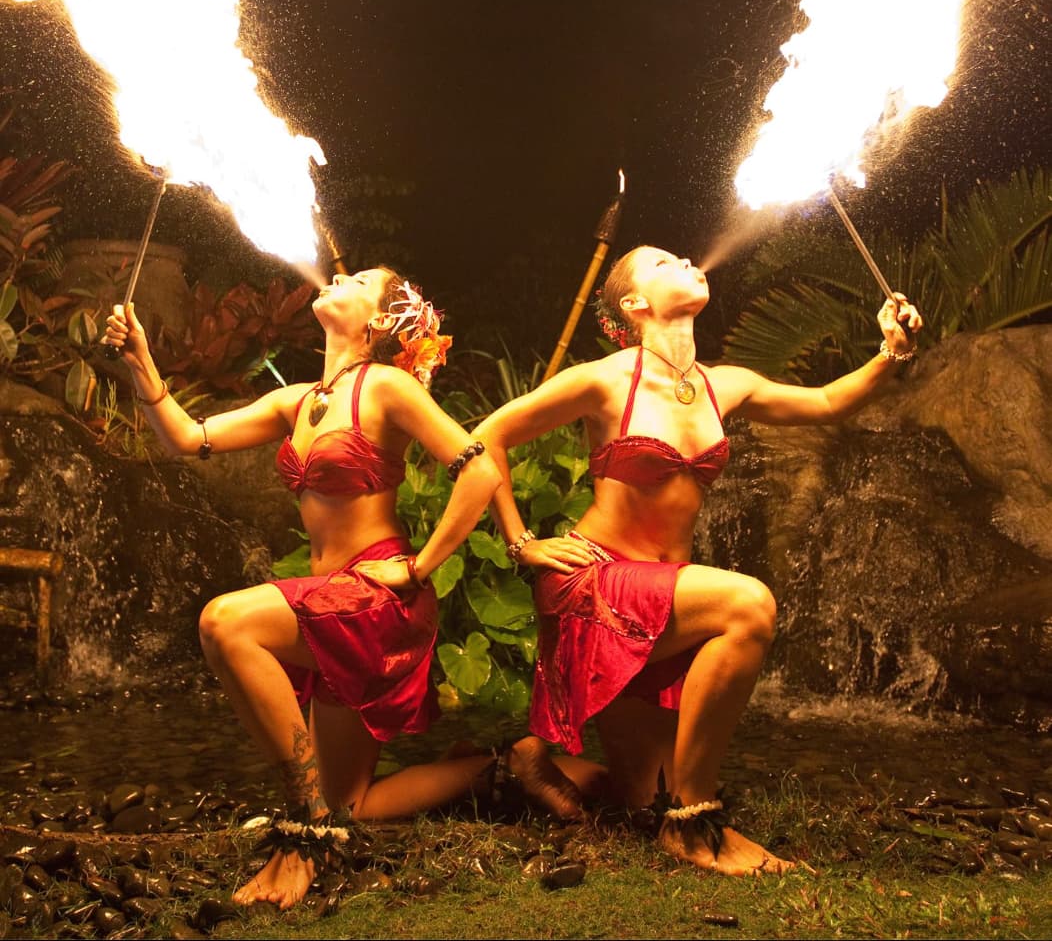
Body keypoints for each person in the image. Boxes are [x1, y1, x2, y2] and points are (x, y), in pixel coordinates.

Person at [104, 267, 587, 909]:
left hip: (375, 601)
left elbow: (475, 471)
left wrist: (420, 568)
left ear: (381, 322)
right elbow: (191, 439)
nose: (335, 274)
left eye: (358, 278)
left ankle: (307, 830)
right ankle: (496, 770)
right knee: (353, 802)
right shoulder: (298, 401)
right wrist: (141, 364)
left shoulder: (386, 386)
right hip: (329, 600)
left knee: (226, 621)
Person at [472, 245, 922, 876]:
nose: (684, 260)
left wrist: (890, 351)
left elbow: (825, 404)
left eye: (684, 256)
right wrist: (522, 542)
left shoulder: (724, 384)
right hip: (596, 588)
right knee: (748, 605)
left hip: (663, 601)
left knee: (639, 799)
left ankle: (530, 763)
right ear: (634, 304)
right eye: (662, 263)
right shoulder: (604, 379)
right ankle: (696, 819)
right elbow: (484, 436)